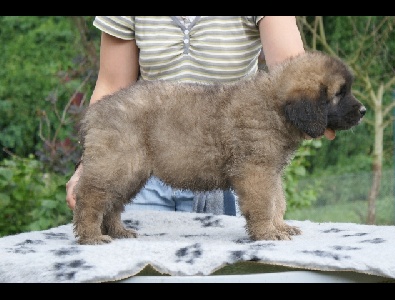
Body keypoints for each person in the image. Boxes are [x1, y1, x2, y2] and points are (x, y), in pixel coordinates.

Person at [65, 16, 336, 215]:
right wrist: (90, 163)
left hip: (224, 174)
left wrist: (324, 112)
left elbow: (293, 76)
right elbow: (112, 87)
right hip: (140, 167)